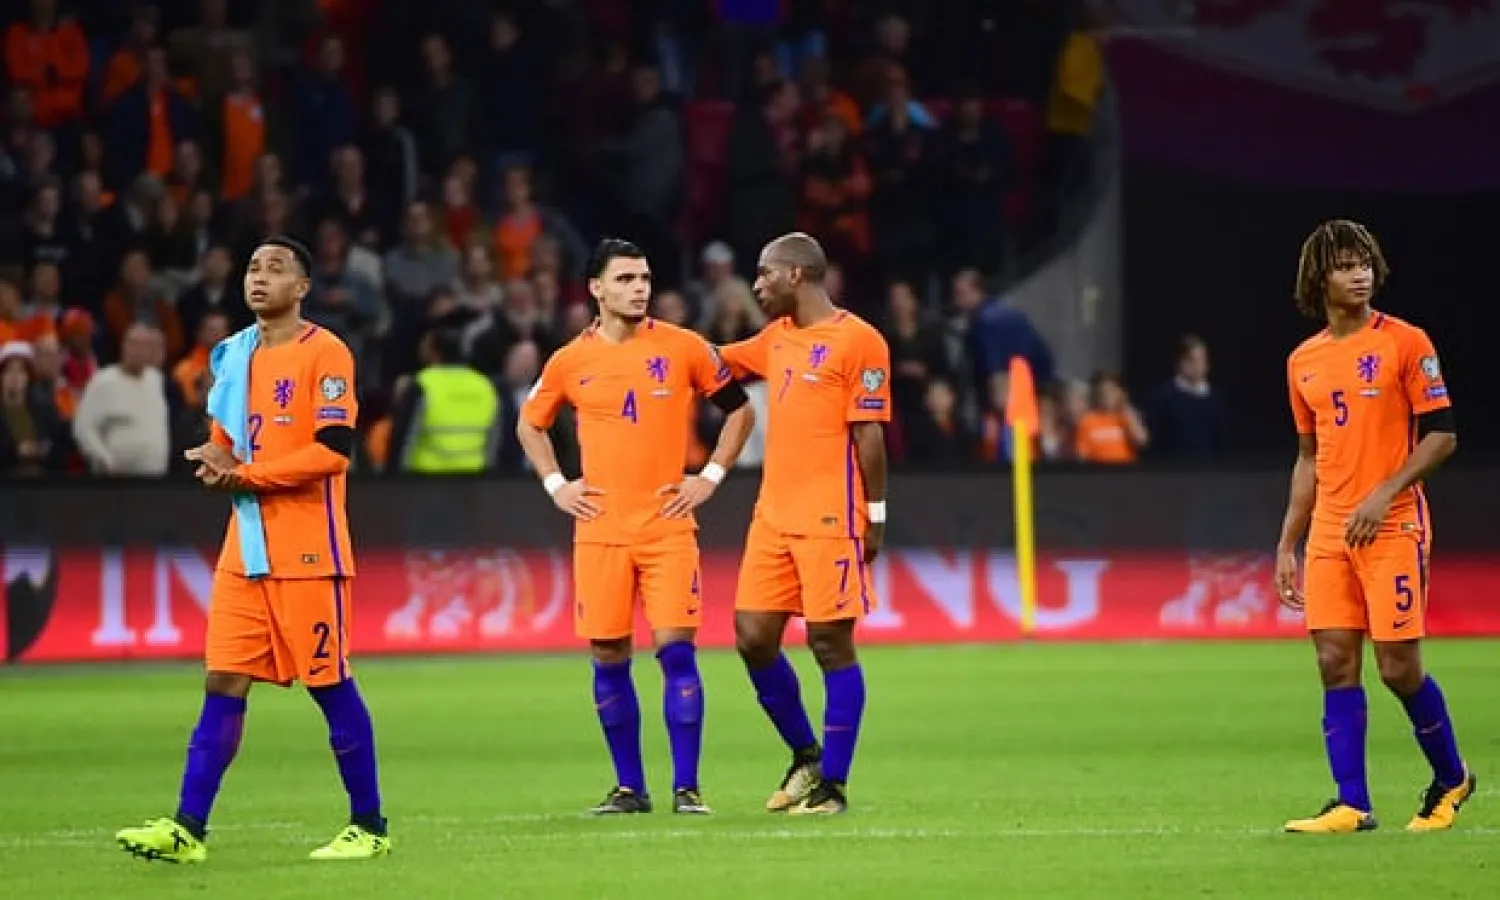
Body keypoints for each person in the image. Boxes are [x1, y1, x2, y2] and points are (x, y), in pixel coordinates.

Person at [116, 236, 390, 862]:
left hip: (308, 549)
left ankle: (370, 827)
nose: (259, 276)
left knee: (329, 682)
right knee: (222, 681)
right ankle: (188, 828)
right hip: (246, 549)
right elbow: (226, 438)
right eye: (252, 267)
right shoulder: (233, 355)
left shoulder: (326, 352)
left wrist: (247, 476)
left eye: (276, 268)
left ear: (303, 288)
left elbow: (332, 452)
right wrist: (215, 458)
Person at [516, 238, 755, 815]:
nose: (640, 287)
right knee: (608, 653)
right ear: (596, 289)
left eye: (644, 277)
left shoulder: (683, 348)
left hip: (668, 526)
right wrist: (557, 485)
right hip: (600, 529)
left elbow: (740, 409)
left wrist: (711, 475)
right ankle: (629, 788)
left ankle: (687, 789)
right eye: (625, 279)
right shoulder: (571, 360)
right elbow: (531, 424)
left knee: (677, 653)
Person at [1276, 219, 1473, 834]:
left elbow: (1442, 435)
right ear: (1320, 277)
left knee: (1396, 668)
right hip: (1331, 531)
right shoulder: (1302, 362)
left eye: (1365, 261)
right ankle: (1352, 803)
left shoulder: (1407, 343)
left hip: (1392, 525)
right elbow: (1308, 456)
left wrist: (1384, 493)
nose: (1359, 272)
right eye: (1344, 264)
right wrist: (1288, 542)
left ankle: (1452, 777)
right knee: (1335, 661)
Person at [717, 232, 892, 815]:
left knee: (829, 642)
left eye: (764, 274)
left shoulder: (860, 341)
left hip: (829, 517)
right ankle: (805, 754)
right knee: (752, 637)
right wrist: (651, 347)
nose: (757, 285)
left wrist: (875, 514)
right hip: (772, 517)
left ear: (796, 275)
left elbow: (869, 436)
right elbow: (717, 359)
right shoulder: (776, 339)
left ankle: (833, 787)